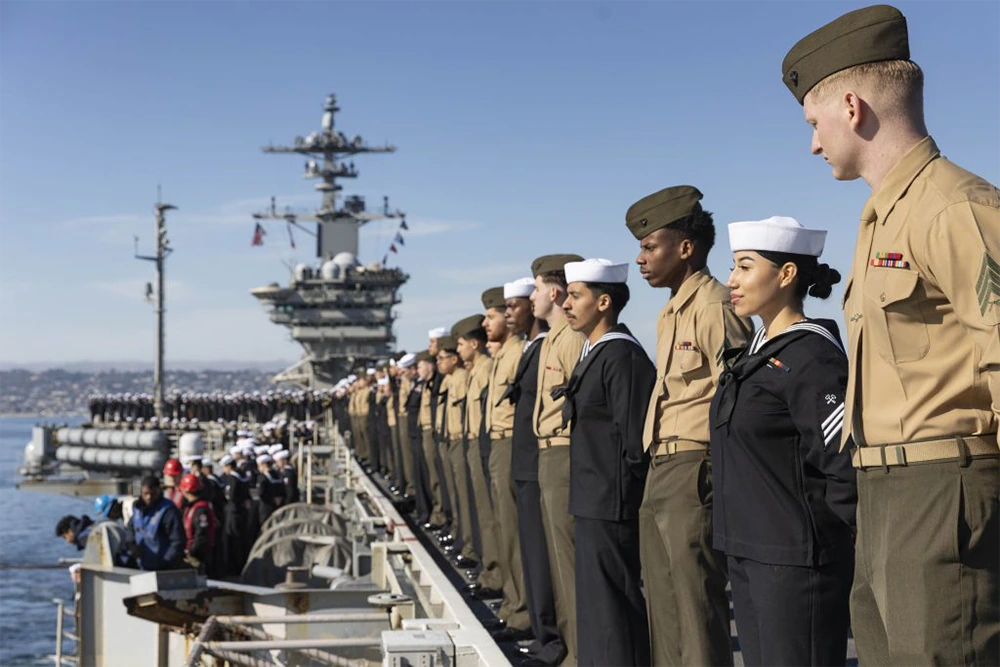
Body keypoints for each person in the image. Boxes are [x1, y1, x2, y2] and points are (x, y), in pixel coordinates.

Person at [783, 6, 1000, 664]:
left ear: (851, 107)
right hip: (884, 493)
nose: (814, 145)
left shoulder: (955, 206)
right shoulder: (881, 219)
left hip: (943, 491)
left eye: (814, 123)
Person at [710, 217, 856, 667]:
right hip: (748, 549)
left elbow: (840, 465)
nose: (731, 280)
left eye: (745, 267)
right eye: (733, 266)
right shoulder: (755, 354)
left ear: (786, 274)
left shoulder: (812, 357)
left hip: (796, 559)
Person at [628, 185, 751, 667]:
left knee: (695, 601)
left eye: (648, 246)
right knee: (664, 599)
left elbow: (738, 398)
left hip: (694, 466)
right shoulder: (672, 309)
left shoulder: (714, 306)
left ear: (685, 248)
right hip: (662, 462)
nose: (640, 258)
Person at [560, 258, 655, 667]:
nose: (566, 303)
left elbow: (634, 437)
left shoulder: (620, 355)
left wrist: (625, 497)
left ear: (603, 302)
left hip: (611, 500)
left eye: (575, 295)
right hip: (592, 497)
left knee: (615, 605)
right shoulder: (594, 353)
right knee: (596, 606)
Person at [504, 276, 563, 666]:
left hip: (547, 458)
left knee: (553, 560)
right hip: (527, 458)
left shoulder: (553, 344)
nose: (510, 313)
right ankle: (542, 631)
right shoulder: (535, 346)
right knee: (530, 550)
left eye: (514, 305)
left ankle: (556, 641)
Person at [530, 254, 585, 663]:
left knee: (569, 566)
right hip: (549, 452)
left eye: (535, 288)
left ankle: (581, 655)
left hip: (565, 453)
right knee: (558, 563)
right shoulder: (553, 337)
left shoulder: (568, 338)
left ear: (553, 291)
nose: (533, 297)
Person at [483, 285, 532, 639]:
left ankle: (521, 611)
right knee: (502, 527)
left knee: (515, 533)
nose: (488, 322)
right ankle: (513, 605)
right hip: (498, 443)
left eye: (493, 314)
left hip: (514, 444)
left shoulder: (517, 353)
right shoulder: (504, 355)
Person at [124, 476, 186, 571]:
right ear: (141, 492)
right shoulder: (137, 509)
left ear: (158, 491)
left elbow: (178, 540)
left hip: (163, 566)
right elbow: (130, 528)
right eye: (146, 494)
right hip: (142, 565)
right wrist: (131, 545)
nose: (149, 497)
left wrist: (167, 561)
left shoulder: (168, 511)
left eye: (152, 493)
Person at [179, 473, 218, 575]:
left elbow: (202, 534)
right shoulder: (192, 507)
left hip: (198, 556)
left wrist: (191, 551)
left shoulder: (200, 509)